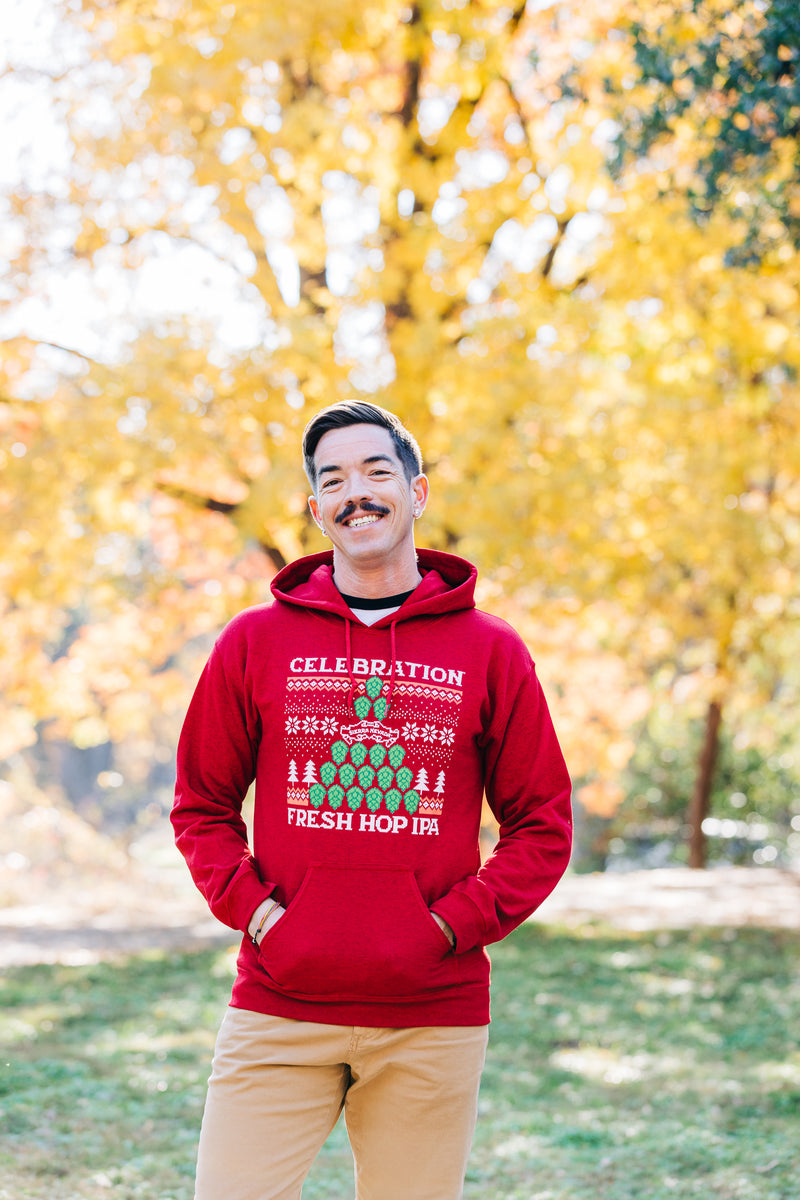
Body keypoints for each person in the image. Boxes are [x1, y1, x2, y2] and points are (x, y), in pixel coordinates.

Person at [172, 400, 572, 1200]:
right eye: (334, 479)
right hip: (279, 1003)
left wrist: (450, 926)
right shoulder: (254, 642)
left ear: (417, 493)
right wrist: (256, 912)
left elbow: (541, 824)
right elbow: (200, 805)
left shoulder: (490, 651)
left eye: (376, 471)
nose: (356, 491)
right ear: (316, 509)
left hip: (433, 1013)